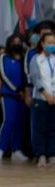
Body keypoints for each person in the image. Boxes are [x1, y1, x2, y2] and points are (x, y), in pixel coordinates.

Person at [0, 33, 29, 161]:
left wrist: (24, 91)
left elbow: (26, 75)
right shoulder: (3, 57)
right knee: (9, 120)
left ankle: (16, 150)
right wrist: (16, 90)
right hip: (8, 94)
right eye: (14, 42)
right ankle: (0, 149)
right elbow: (3, 76)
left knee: (19, 122)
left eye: (19, 42)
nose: (17, 44)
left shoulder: (24, 58)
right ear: (9, 43)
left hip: (22, 96)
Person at [31, 31, 55, 166]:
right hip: (40, 99)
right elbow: (35, 79)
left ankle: (52, 154)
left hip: (54, 99)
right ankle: (40, 155)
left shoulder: (54, 59)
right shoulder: (36, 59)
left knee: (53, 128)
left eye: (54, 43)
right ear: (42, 43)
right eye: (49, 43)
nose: (52, 45)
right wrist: (46, 95)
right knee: (40, 128)